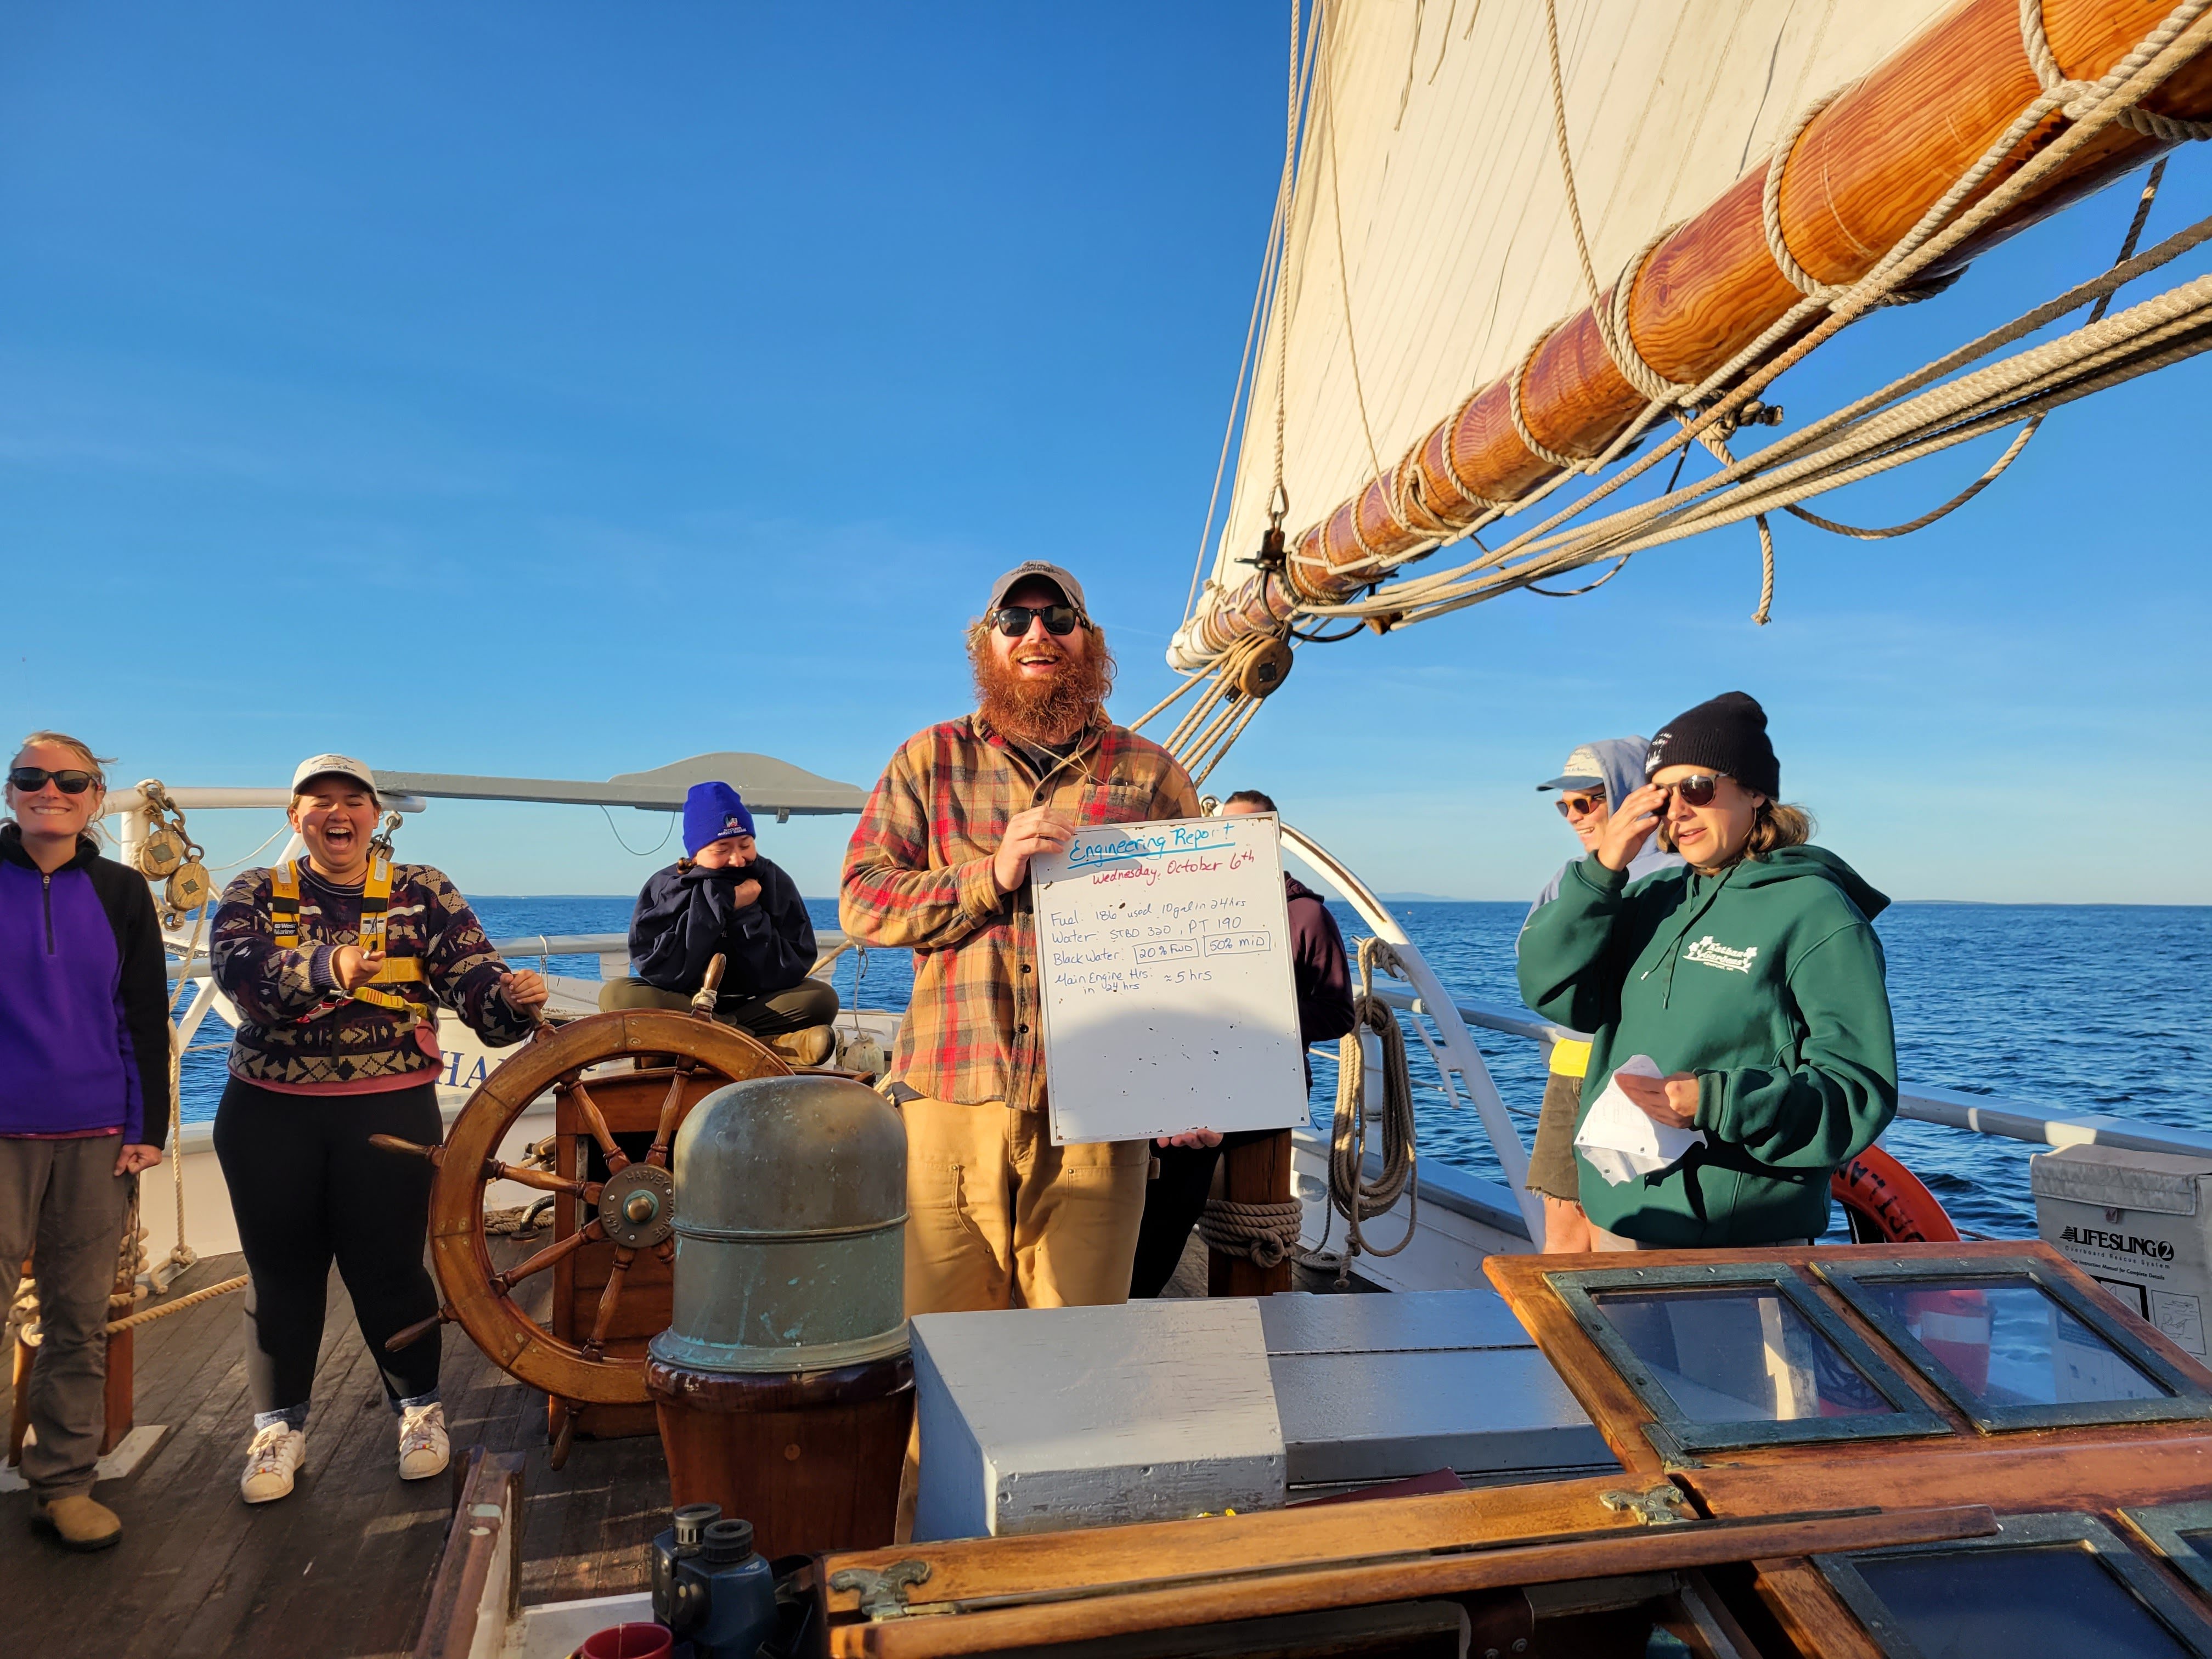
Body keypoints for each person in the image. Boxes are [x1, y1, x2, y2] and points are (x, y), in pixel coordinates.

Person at [840, 560, 1199, 1317]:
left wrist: (1193, 1080)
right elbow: (863, 901)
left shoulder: (1153, 775)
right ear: (986, 642)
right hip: (950, 1101)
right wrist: (990, 874)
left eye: (1059, 618)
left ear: (1090, 639)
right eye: (1016, 620)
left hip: (1102, 1117)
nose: (1038, 633)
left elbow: (1191, 947)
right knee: (946, 1351)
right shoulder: (927, 760)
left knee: (1080, 1355)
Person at [209, 754, 549, 1504]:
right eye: (318, 802)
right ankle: (279, 1429)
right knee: (282, 1276)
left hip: (386, 1111)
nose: (337, 814)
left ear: (374, 813)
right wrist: (329, 964)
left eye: (352, 800)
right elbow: (240, 972)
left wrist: (509, 997)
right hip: (268, 1112)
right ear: (294, 818)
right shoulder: (255, 891)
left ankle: (420, 1416)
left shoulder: (422, 890)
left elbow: (470, 975)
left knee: (391, 1270)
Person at [1515, 692, 1897, 1249]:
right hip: (1621, 1216)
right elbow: (1553, 990)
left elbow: (1857, 1092)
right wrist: (1602, 871)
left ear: (1756, 791)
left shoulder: (1815, 911)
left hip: (1736, 1237)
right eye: (1662, 795)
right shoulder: (1654, 896)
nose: (1679, 810)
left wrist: (1716, 1102)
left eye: (1698, 788)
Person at [0, 733, 170, 1552]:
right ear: (10, 792)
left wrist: (148, 1128)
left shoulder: (121, 890)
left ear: (96, 798)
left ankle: (63, 1482)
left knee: (76, 1319)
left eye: (70, 781)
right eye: (32, 778)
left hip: (97, 1135)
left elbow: (141, 1013)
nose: (50, 791)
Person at [1128, 789, 1356, 1297]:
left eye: (1250, 832)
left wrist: (1253, 1019)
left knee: (1171, 1210)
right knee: (1137, 1200)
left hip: (1256, 1096)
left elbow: (1339, 1012)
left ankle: (1144, 1299)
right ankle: (1122, 1303)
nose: (1235, 845)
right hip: (1185, 1084)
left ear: (1273, 839)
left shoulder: (1306, 918)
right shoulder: (1187, 908)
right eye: (1223, 833)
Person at [1519, 738, 1682, 1254]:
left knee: (1623, 1236)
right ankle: (1561, 1337)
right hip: (1570, 1069)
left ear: (1636, 794)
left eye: (1588, 800)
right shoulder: (1570, 880)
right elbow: (1535, 967)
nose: (1573, 816)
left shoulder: (1681, 877)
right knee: (1563, 1228)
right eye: (1564, 805)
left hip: (1638, 1075)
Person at [599, 781, 840, 1065]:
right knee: (615, 997)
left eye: (745, 845)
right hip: (685, 1002)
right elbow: (658, 969)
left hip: (754, 1003)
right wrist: (722, 904)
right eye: (722, 849)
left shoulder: (774, 881)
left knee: (822, 998)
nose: (737, 859)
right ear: (695, 854)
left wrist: (748, 915)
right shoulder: (667, 888)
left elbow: (792, 966)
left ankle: (700, 1040)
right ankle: (764, 1046)